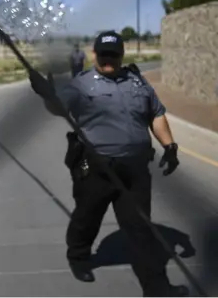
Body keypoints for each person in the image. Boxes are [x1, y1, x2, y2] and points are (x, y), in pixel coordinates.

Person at [29, 30, 188, 297]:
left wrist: (169, 146)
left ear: (122, 55)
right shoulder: (81, 84)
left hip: (135, 169)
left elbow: (156, 114)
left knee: (141, 229)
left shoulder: (138, 83)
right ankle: (78, 256)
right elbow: (59, 108)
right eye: (103, 55)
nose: (108, 60)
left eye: (113, 55)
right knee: (87, 217)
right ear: (95, 55)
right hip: (95, 168)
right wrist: (47, 95)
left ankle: (156, 288)